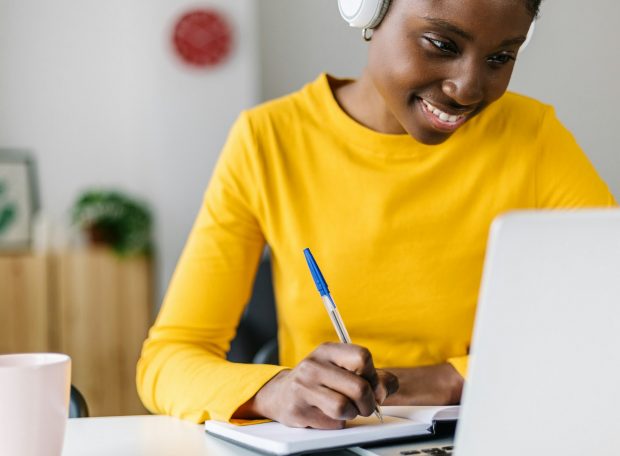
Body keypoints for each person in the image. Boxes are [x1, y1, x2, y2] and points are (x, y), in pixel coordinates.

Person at [137, 0, 616, 430]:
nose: (467, 88)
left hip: (481, 433)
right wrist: (275, 391)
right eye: (441, 43)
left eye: (500, 57)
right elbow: (168, 360)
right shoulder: (267, 142)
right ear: (367, 10)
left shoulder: (533, 139)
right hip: (329, 442)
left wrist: (453, 379)